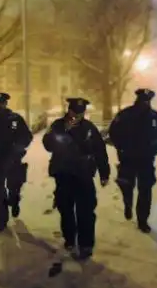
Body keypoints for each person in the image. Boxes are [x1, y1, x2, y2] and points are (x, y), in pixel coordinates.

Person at [43, 97, 110, 260]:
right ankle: (70, 239)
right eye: (74, 112)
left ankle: (86, 244)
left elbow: (100, 150)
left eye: (81, 113)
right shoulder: (58, 126)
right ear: (69, 110)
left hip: (84, 174)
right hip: (64, 174)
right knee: (66, 209)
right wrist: (64, 131)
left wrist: (104, 172)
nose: (77, 116)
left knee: (86, 211)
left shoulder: (89, 128)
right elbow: (47, 145)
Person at [108, 88, 157, 233]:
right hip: (127, 158)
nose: (145, 103)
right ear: (137, 100)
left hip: (146, 159)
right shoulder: (125, 115)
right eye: (142, 100)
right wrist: (121, 147)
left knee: (145, 190)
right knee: (126, 186)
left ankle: (142, 220)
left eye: (147, 101)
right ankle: (128, 205)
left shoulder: (154, 117)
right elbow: (113, 131)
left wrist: (154, 150)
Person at [0, 92, 33, 233]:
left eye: (2, 103)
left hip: (14, 160)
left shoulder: (15, 119)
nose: (0, 105)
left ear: (6, 103)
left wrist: (18, 147)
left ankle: (14, 201)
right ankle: (1, 221)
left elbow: (27, 136)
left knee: (14, 187)